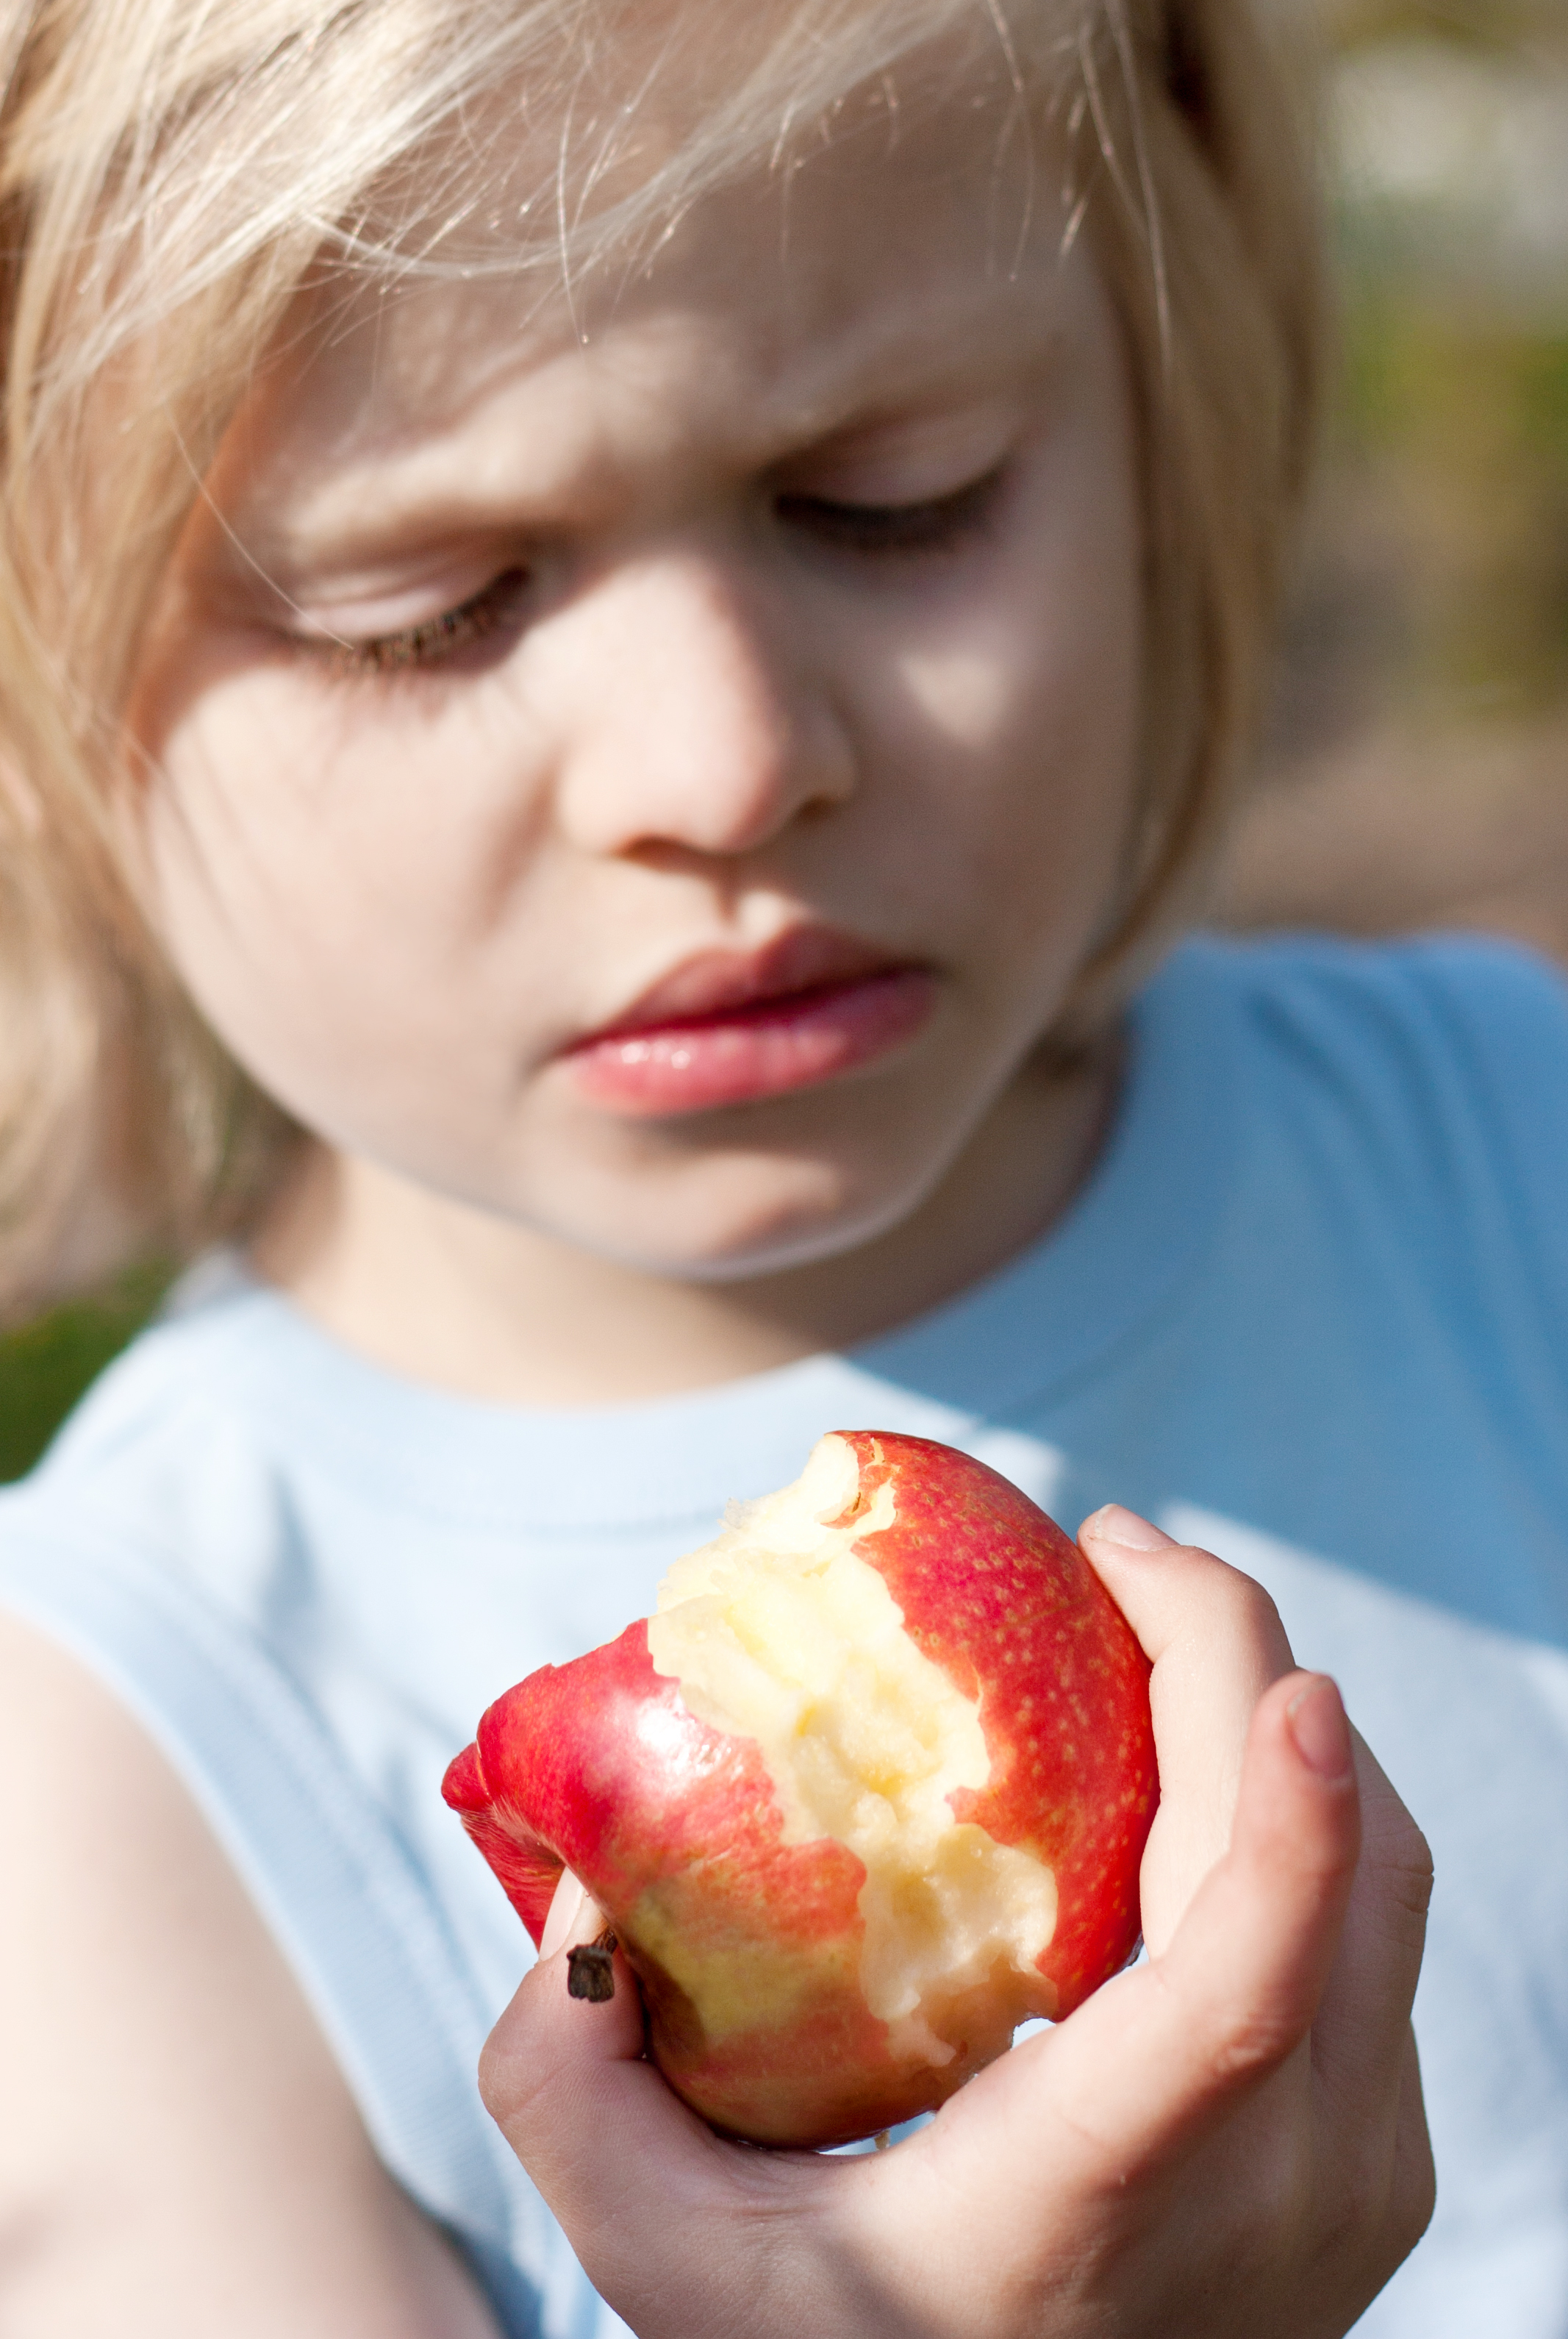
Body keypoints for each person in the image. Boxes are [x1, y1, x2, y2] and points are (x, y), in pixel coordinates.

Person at [0, 0, 1561, 2330]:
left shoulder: (1505, 1152)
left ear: (1165, 397)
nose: (723, 761)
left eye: (891, 496)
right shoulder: (108, 1808)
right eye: (425, 604)